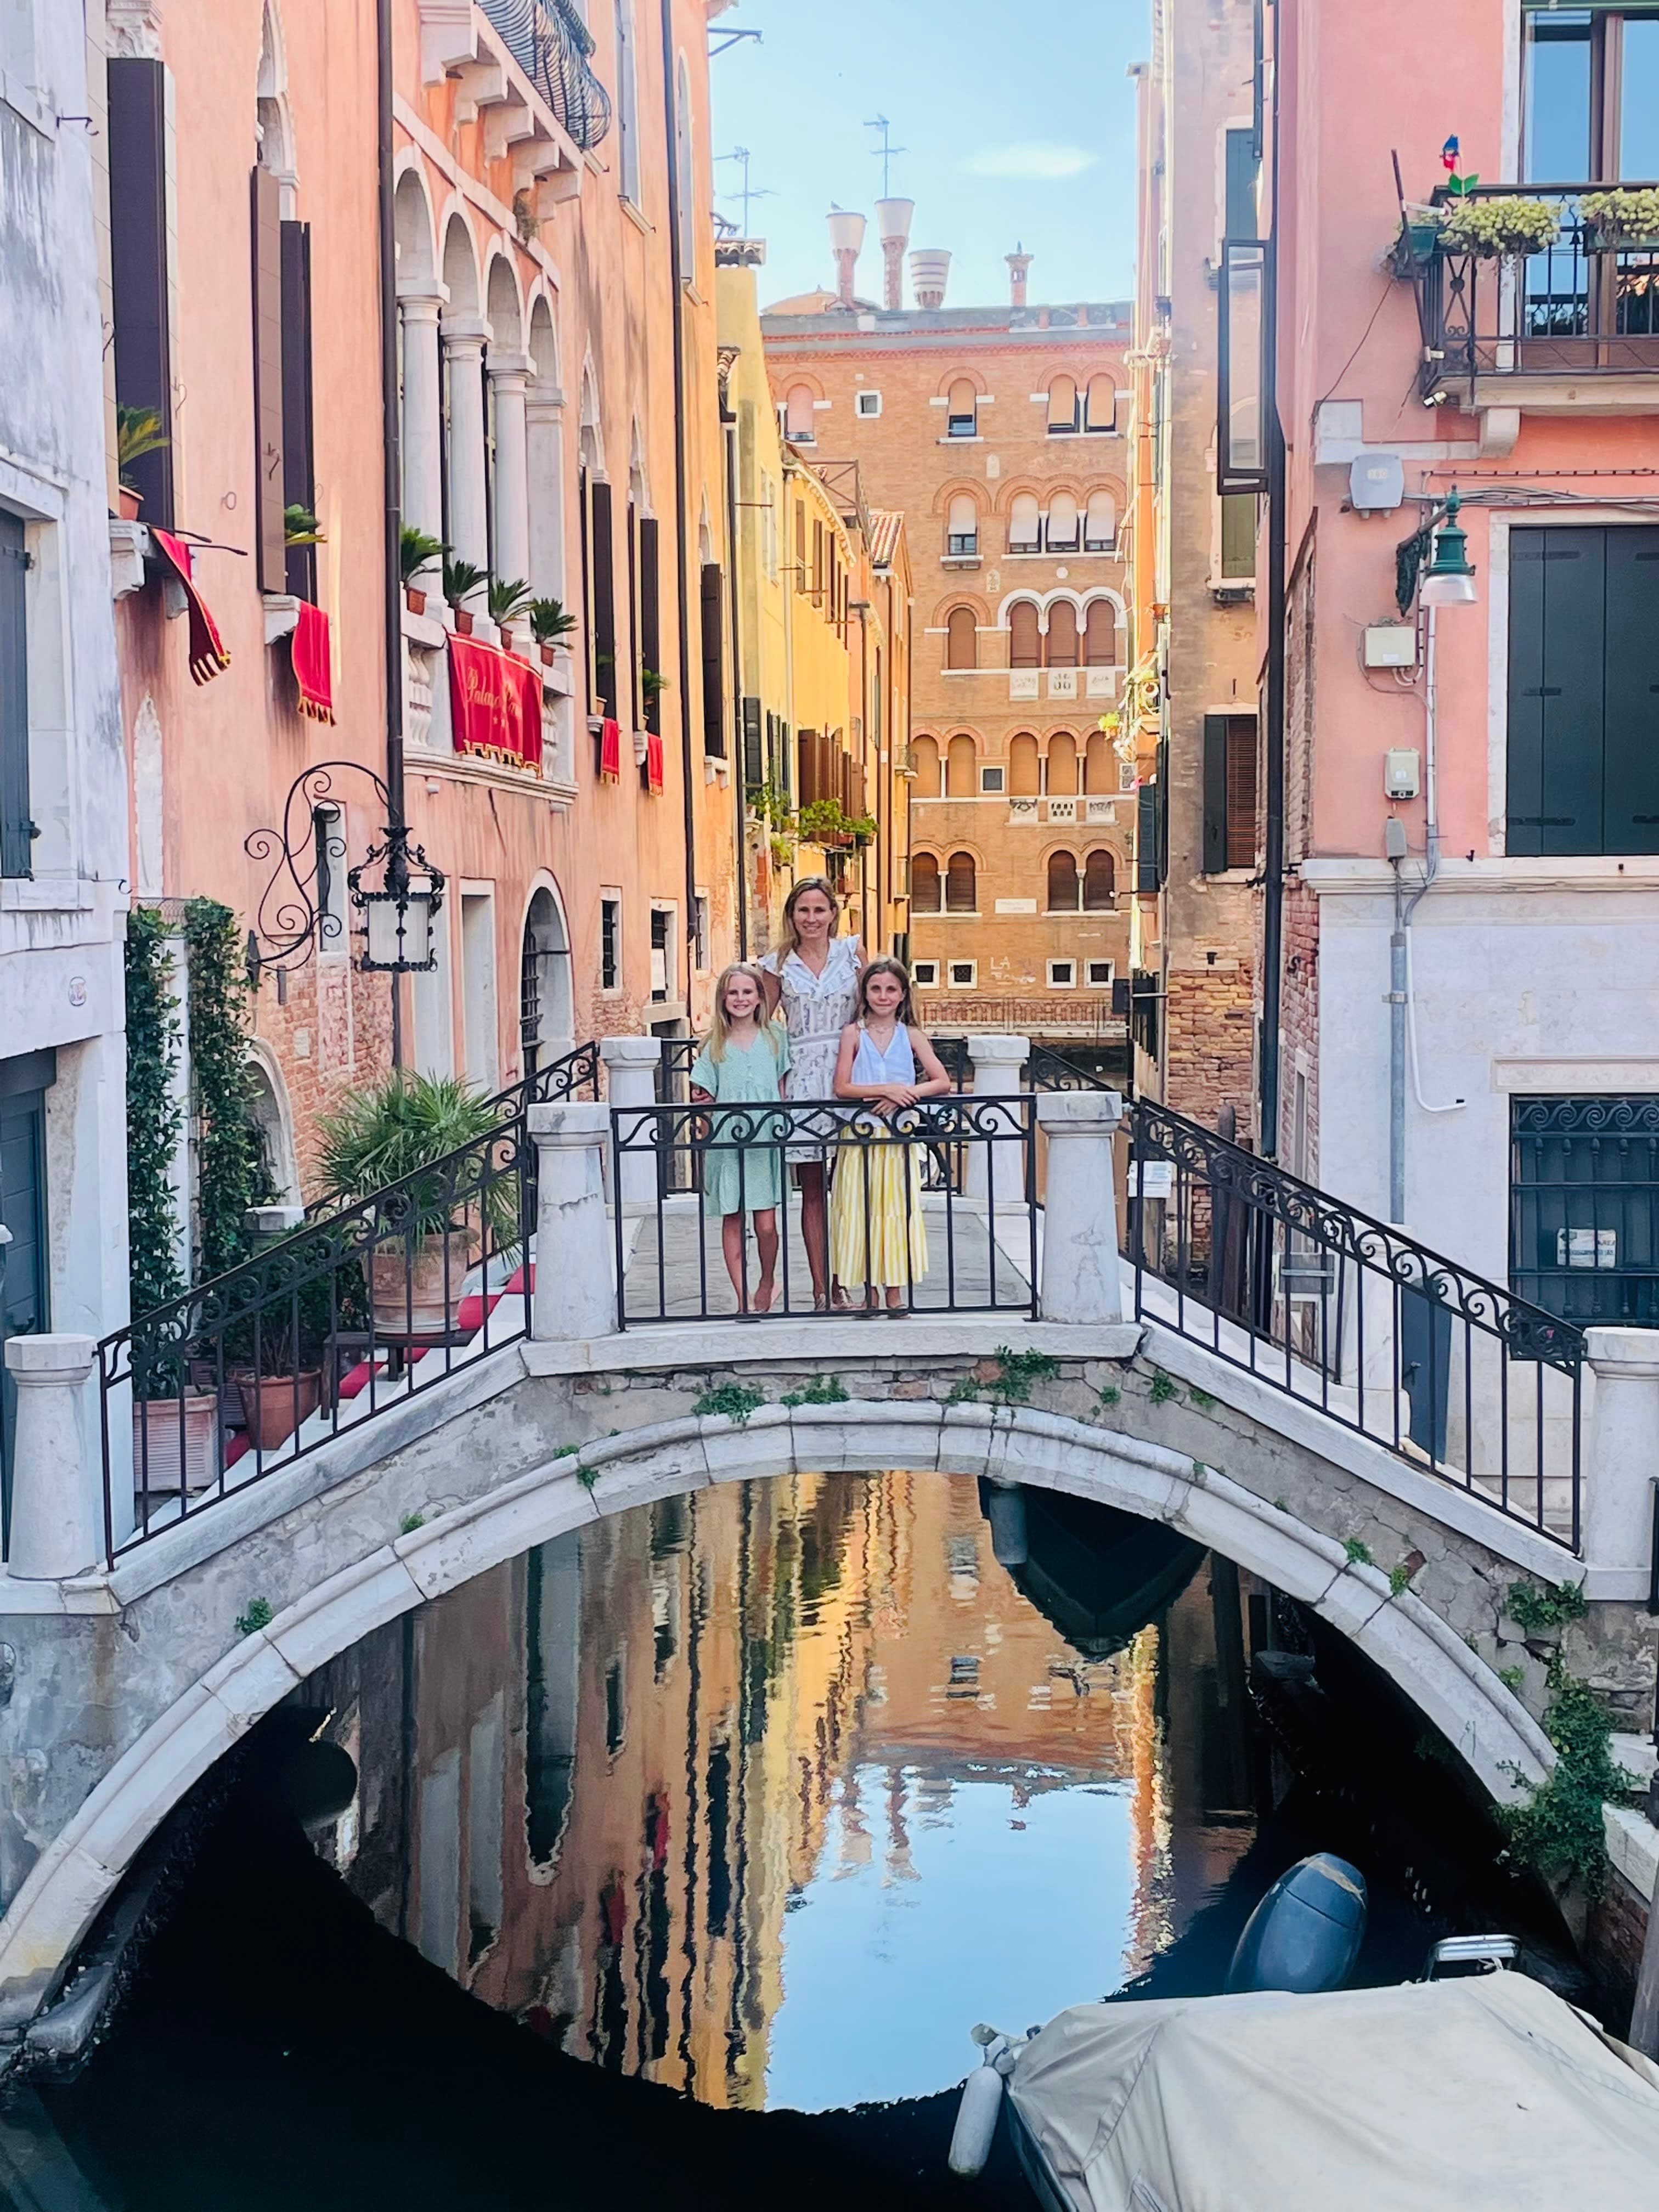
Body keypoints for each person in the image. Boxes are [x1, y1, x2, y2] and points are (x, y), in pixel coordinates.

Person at [757, 877, 864, 1309]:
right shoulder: (776, 964)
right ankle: (823, 1289)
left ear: (833, 914)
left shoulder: (851, 953)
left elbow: (873, 1008)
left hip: (850, 1072)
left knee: (852, 1184)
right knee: (815, 1188)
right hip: (802, 1077)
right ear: (792, 915)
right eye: (804, 910)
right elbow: (761, 1026)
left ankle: (849, 1280)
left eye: (820, 910)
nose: (812, 918)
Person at [829, 959, 951, 1312]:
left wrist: (906, 1094)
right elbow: (842, 1086)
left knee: (895, 1212)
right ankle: (870, 1290)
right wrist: (885, 1091)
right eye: (876, 989)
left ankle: (895, 1289)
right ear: (865, 993)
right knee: (861, 1210)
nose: (883, 996)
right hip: (861, 1138)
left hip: (898, 1137)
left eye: (891, 990)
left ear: (902, 995)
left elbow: (941, 1081)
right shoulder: (854, 1033)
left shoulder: (911, 1034)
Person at [689, 964, 791, 1314]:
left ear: (760, 997)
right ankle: (742, 1297)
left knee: (766, 1224)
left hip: (765, 1142)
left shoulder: (776, 1037)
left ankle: (767, 1279)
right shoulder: (713, 1044)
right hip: (727, 1144)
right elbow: (702, 1095)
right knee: (731, 1217)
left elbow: (783, 1089)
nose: (740, 999)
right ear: (723, 999)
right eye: (733, 993)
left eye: (748, 992)